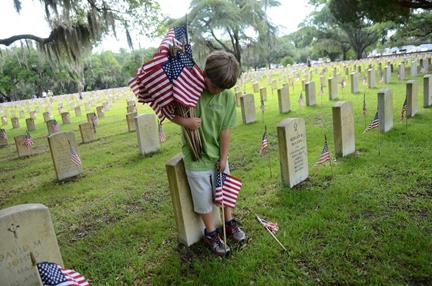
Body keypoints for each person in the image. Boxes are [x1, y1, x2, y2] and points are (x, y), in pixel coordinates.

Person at [170, 50, 246, 256]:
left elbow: (225, 130)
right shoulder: (190, 92)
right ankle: (211, 233)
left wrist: (223, 157)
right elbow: (168, 110)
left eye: (223, 89)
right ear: (205, 74)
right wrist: (185, 122)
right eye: (214, 86)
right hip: (197, 158)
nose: (217, 91)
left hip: (218, 156)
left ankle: (229, 222)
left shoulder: (227, 97)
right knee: (204, 198)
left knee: (225, 191)